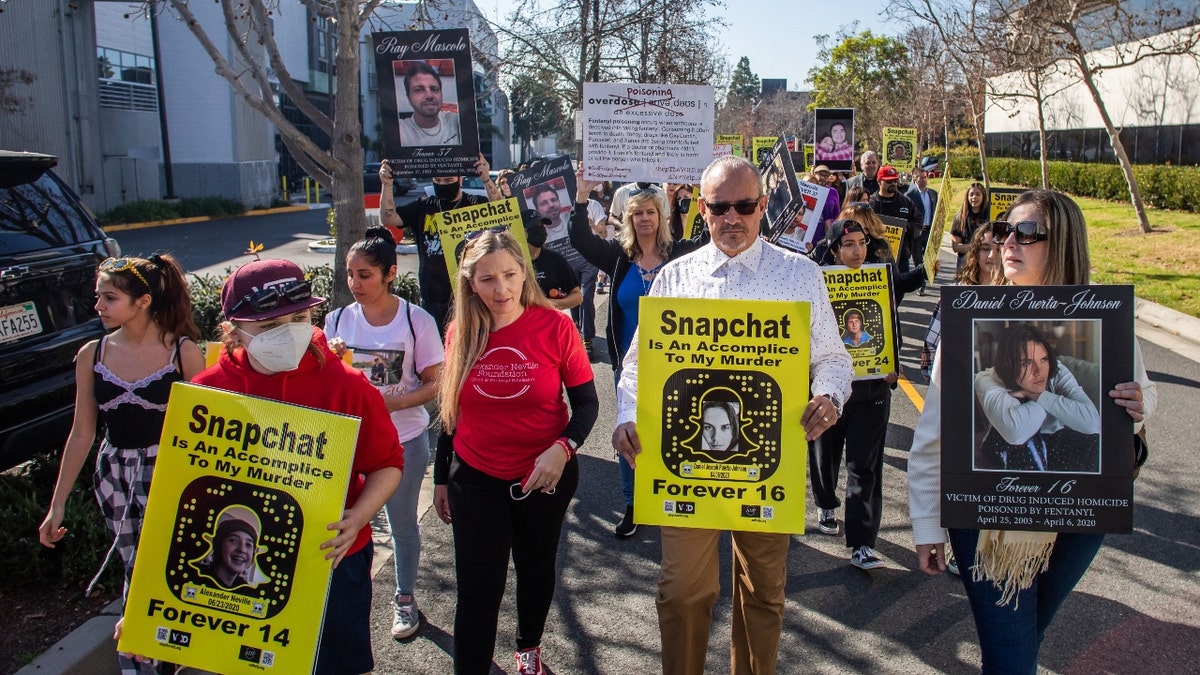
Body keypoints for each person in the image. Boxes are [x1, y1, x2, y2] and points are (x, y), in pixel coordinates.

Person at [613, 156, 852, 674]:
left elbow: (834, 357)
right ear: (702, 210)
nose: (733, 217)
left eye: (745, 205)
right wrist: (626, 414)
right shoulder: (675, 278)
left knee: (763, 594)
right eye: (720, 207)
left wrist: (829, 396)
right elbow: (637, 364)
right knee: (680, 593)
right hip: (687, 468)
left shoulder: (800, 275)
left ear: (764, 207)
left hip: (768, 467)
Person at [908, 189, 1157, 673]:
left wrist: (1139, 403)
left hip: (1080, 515)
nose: (1008, 243)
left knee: (1021, 642)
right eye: (1004, 231)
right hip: (987, 516)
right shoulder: (971, 318)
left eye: (1025, 233)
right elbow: (935, 435)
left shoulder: (1101, 316)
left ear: (1063, 243)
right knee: (1012, 656)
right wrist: (925, 524)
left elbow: (1133, 401)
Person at [195, 258, 404, 675]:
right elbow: (179, 488)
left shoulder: (347, 385)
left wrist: (358, 517)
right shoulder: (207, 392)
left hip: (330, 563)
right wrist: (149, 610)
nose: (289, 332)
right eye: (270, 326)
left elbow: (388, 464)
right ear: (233, 328)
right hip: (241, 575)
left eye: (300, 317)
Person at [432, 230, 598, 675]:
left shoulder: (556, 326)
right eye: (487, 279)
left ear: (525, 273)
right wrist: (441, 476)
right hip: (476, 477)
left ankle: (528, 650)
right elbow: (451, 410)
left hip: (543, 475)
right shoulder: (459, 332)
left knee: (535, 566)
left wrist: (563, 448)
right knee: (478, 589)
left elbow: (586, 403)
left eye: (509, 274)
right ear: (470, 283)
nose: (501, 289)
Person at [38, 254, 204, 675]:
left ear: (143, 300)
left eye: (109, 298)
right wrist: (56, 505)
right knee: (137, 567)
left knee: (157, 570)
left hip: (169, 474)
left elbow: (204, 434)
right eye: (99, 297)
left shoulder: (182, 353)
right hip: (114, 474)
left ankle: (149, 655)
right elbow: (82, 432)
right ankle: (147, 656)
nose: (98, 306)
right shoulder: (91, 354)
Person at [322, 227, 444, 640]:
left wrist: (388, 405)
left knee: (402, 525)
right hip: (346, 443)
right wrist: (332, 361)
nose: (355, 284)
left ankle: (405, 598)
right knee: (337, 524)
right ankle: (326, 600)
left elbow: (436, 384)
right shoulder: (335, 321)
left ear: (391, 273)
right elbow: (324, 382)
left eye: (365, 275)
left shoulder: (416, 320)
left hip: (402, 442)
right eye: (350, 274)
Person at [570, 168, 703, 538]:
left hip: (676, 366)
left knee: (678, 433)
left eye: (650, 212)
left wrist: (691, 200)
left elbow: (711, 240)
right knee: (629, 435)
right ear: (628, 219)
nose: (644, 219)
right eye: (637, 214)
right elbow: (579, 238)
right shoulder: (618, 257)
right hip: (628, 368)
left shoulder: (679, 255)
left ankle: (678, 496)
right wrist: (581, 195)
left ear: (661, 217)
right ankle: (634, 504)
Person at [809, 220, 905, 570]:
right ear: (835, 249)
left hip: (872, 390)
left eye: (862, 243)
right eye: (848, 244)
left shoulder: (880, 279)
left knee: (865, 466)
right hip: (831, 390)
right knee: (826, 453)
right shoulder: (815, 281)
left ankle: (863, 543)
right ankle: (825, 501)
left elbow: (891, 324)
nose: (857, 251)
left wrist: (893, 365)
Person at [378, 155, 493, 333]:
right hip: (432, 296)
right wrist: (387, 185)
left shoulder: (475, 204)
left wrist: (486, 179)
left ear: (460, 180)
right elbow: (389, 218)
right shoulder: (424, 206)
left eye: (448, 180)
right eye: (437, 180)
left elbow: (504, 211)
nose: (442, 184)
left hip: (469, 295)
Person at [975, 324, 1100, 472]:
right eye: (1027, 363)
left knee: (1096, 444)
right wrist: (1049, 401)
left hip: (1054, 439)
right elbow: (1016, 433)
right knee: (1027, 443)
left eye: (1044, 359)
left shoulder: (1057, 371)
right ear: (1008, 364)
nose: (1039, 371)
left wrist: (1036, 395)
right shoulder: (987, 379)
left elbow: (1092, 423)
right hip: (1009, 447)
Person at [523, 210, 583, 310]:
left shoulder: (554, 259)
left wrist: (551, 304)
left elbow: (577, 297)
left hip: (550, 322)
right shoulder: (513, 262)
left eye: (542, 226)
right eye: (535, 227)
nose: (541, 230)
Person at [195, 507, 265, 589]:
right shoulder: (196, 578)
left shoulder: (246, 591)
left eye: (248, 544)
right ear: (219, 545)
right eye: (233, 540)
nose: (242, 549)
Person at [868, 165, 920, 274]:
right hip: (876, 256)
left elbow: (918, 223)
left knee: (901, 289)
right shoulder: (871, 203)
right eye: (888, 181)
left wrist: (907, 228)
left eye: (895, 181)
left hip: (901, 257)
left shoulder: (906, 201)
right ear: (879, 181)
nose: (893, 184)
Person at [397, 61, 461, 146]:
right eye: (419, 90)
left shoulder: (456, 122)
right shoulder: (400, 129)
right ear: (409, 98)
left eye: (434, 89)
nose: (429, 96)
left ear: (441, 95)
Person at [905, 166, 939, 276]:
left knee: (929, 258)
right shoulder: (909, 196)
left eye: (925, 177)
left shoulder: (933, 194)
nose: (923, 180)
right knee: (918, 259)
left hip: (929, 231)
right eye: (920, 178)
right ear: (915, 179)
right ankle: (920, 283)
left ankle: (927, 277)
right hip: (917, 232)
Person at [951, 182, 990, 270]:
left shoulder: (990, 215)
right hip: (965, 261)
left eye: (978, 194)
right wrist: (978, 247)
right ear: (967, 196)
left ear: (983, 196)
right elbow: (956, 247)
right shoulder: (960, 216)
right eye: (971, 194)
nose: (974, 197)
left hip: (985, 261)